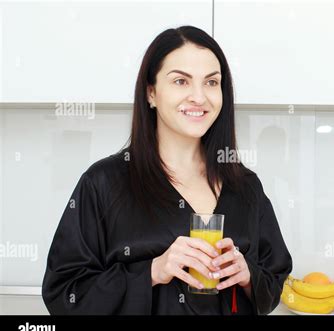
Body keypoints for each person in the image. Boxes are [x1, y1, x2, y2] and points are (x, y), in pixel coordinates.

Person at [42, 26, 292, 315]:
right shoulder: (103, 184)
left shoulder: (245, 185)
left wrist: (248, 276)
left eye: (212, 83)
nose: (199, 97)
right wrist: (152, 271)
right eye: (181, 81)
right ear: (151, 93)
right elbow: (64, 293)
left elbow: (275, 278)